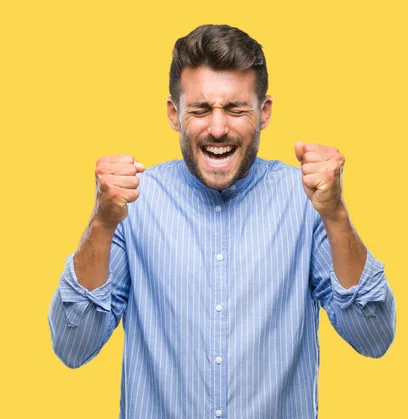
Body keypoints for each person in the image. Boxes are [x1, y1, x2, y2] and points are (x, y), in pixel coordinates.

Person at [48, 24, 396, 418]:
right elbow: (73, 346)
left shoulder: (307, 203)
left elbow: (374, 336)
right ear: (173, 114)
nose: (217, 127)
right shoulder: (132, 205)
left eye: (235, 109)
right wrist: (102, 223)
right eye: (200, 109)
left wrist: (335, 216)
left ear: (263, 113)